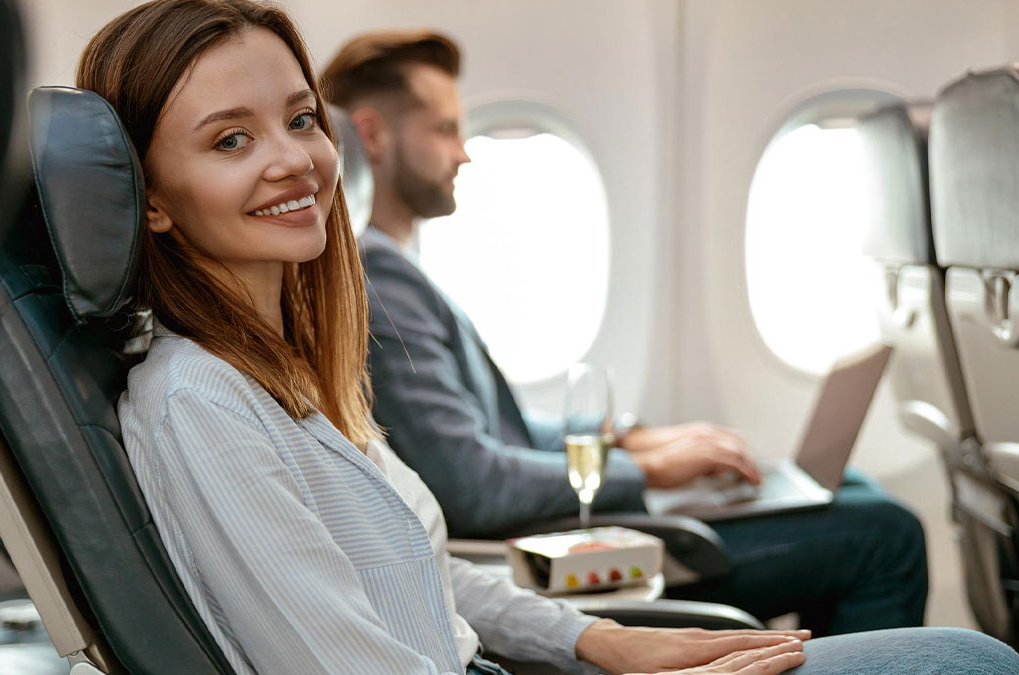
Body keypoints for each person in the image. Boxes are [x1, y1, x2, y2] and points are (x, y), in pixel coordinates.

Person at [86, 1, 1019, 673]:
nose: (293, 158)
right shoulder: (198, 401)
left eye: (298, 120)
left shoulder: (280, 367)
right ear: (152, 199)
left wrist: (600, 640)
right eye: (229, 141)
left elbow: (418, 571)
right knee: (965, 656)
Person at [322, 31, 928, 636]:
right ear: (373, 134)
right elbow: (474, 485)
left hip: (561, 528)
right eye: (445, 129)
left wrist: (638, 441)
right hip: (544, 557)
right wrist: (651, 474)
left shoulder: (393, 268)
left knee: (849, 489)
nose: (464, 153)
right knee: (886, 533)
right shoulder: (380, 276)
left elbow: (505, 432)